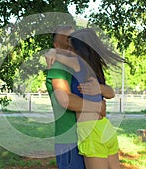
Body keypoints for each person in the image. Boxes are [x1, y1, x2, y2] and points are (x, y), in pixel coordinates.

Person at [45, 25, 116, 169]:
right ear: (57, 44)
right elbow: (66, 100)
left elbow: (110, 92)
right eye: (66, 41)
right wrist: (98, 107)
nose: (68, 47)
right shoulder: (65, 66)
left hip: (89, 131)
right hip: (83, 134)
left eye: (72, 44)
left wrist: (53, 52)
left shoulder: (80, 64)